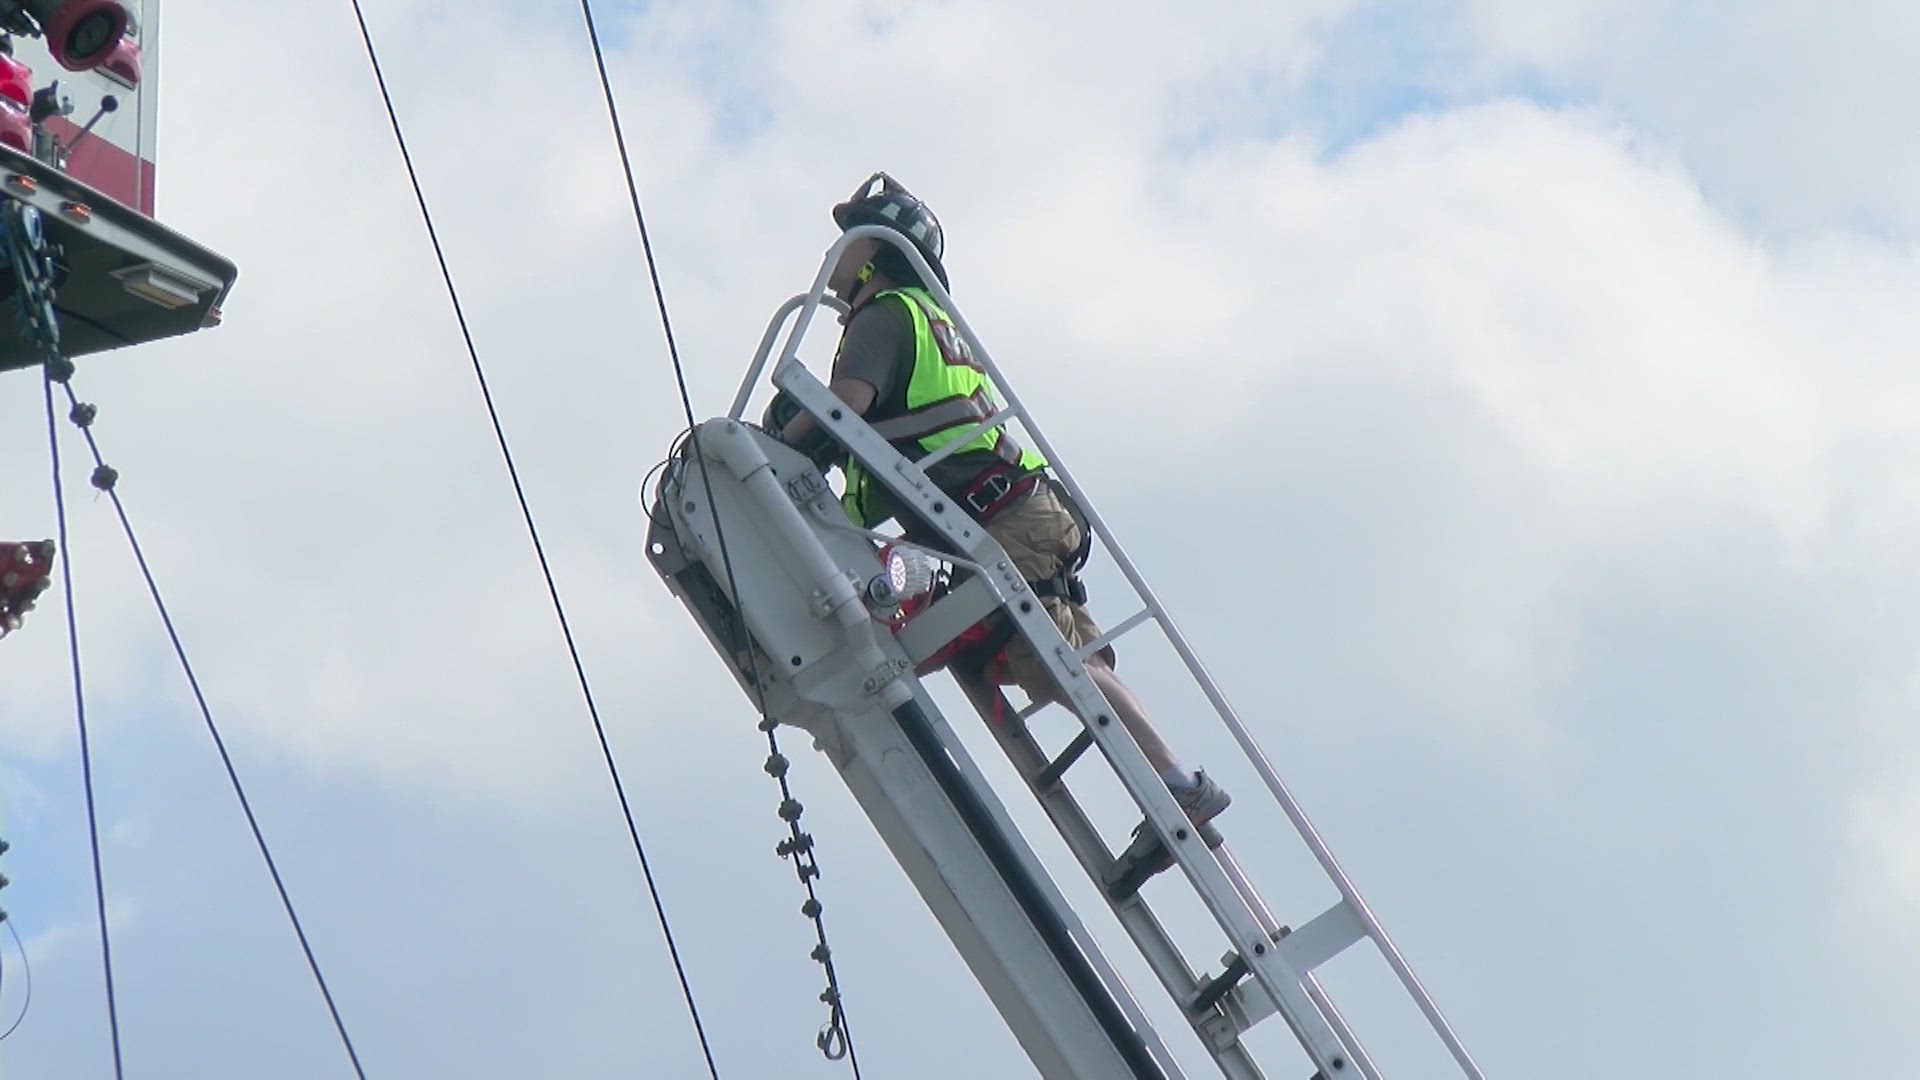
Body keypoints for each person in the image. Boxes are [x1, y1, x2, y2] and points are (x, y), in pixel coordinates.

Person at [778, 173, 1229, 829]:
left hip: (1006, 516)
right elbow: (885, 464)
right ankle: (1176, 781)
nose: (836, 251)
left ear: (878, 253)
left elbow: (844, 407)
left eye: (850, 237)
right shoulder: (925, 318)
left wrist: (780, 439)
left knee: (1056, 668)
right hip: (1029, 506)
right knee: (1077, 665)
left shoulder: (882, 317)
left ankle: (1180, 784)